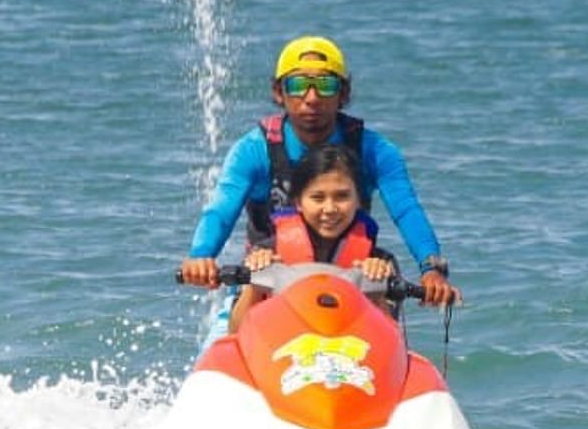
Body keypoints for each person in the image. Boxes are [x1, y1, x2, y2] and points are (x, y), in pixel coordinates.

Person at [180, 35, 461, 306]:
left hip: (353, 285)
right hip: (267, 282)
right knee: (220, 341)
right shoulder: (253, 151)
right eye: (298, 85)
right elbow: (220, 211)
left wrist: (431, 269)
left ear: (344, 94)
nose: (311, 98)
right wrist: (201, 256)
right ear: (279, 93)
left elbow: (406, 210)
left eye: (325, 85)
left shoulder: (375, 152)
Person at [228, 145, 397, 332]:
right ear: (298, 202)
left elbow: (392, 340)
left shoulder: (381, 263)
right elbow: (235, 331)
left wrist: (376, 290)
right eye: (318, 198)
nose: (330, 208)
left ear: (359, 200)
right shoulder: (264, 255)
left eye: (342, 196)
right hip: (279, 352)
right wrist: (256, 282)